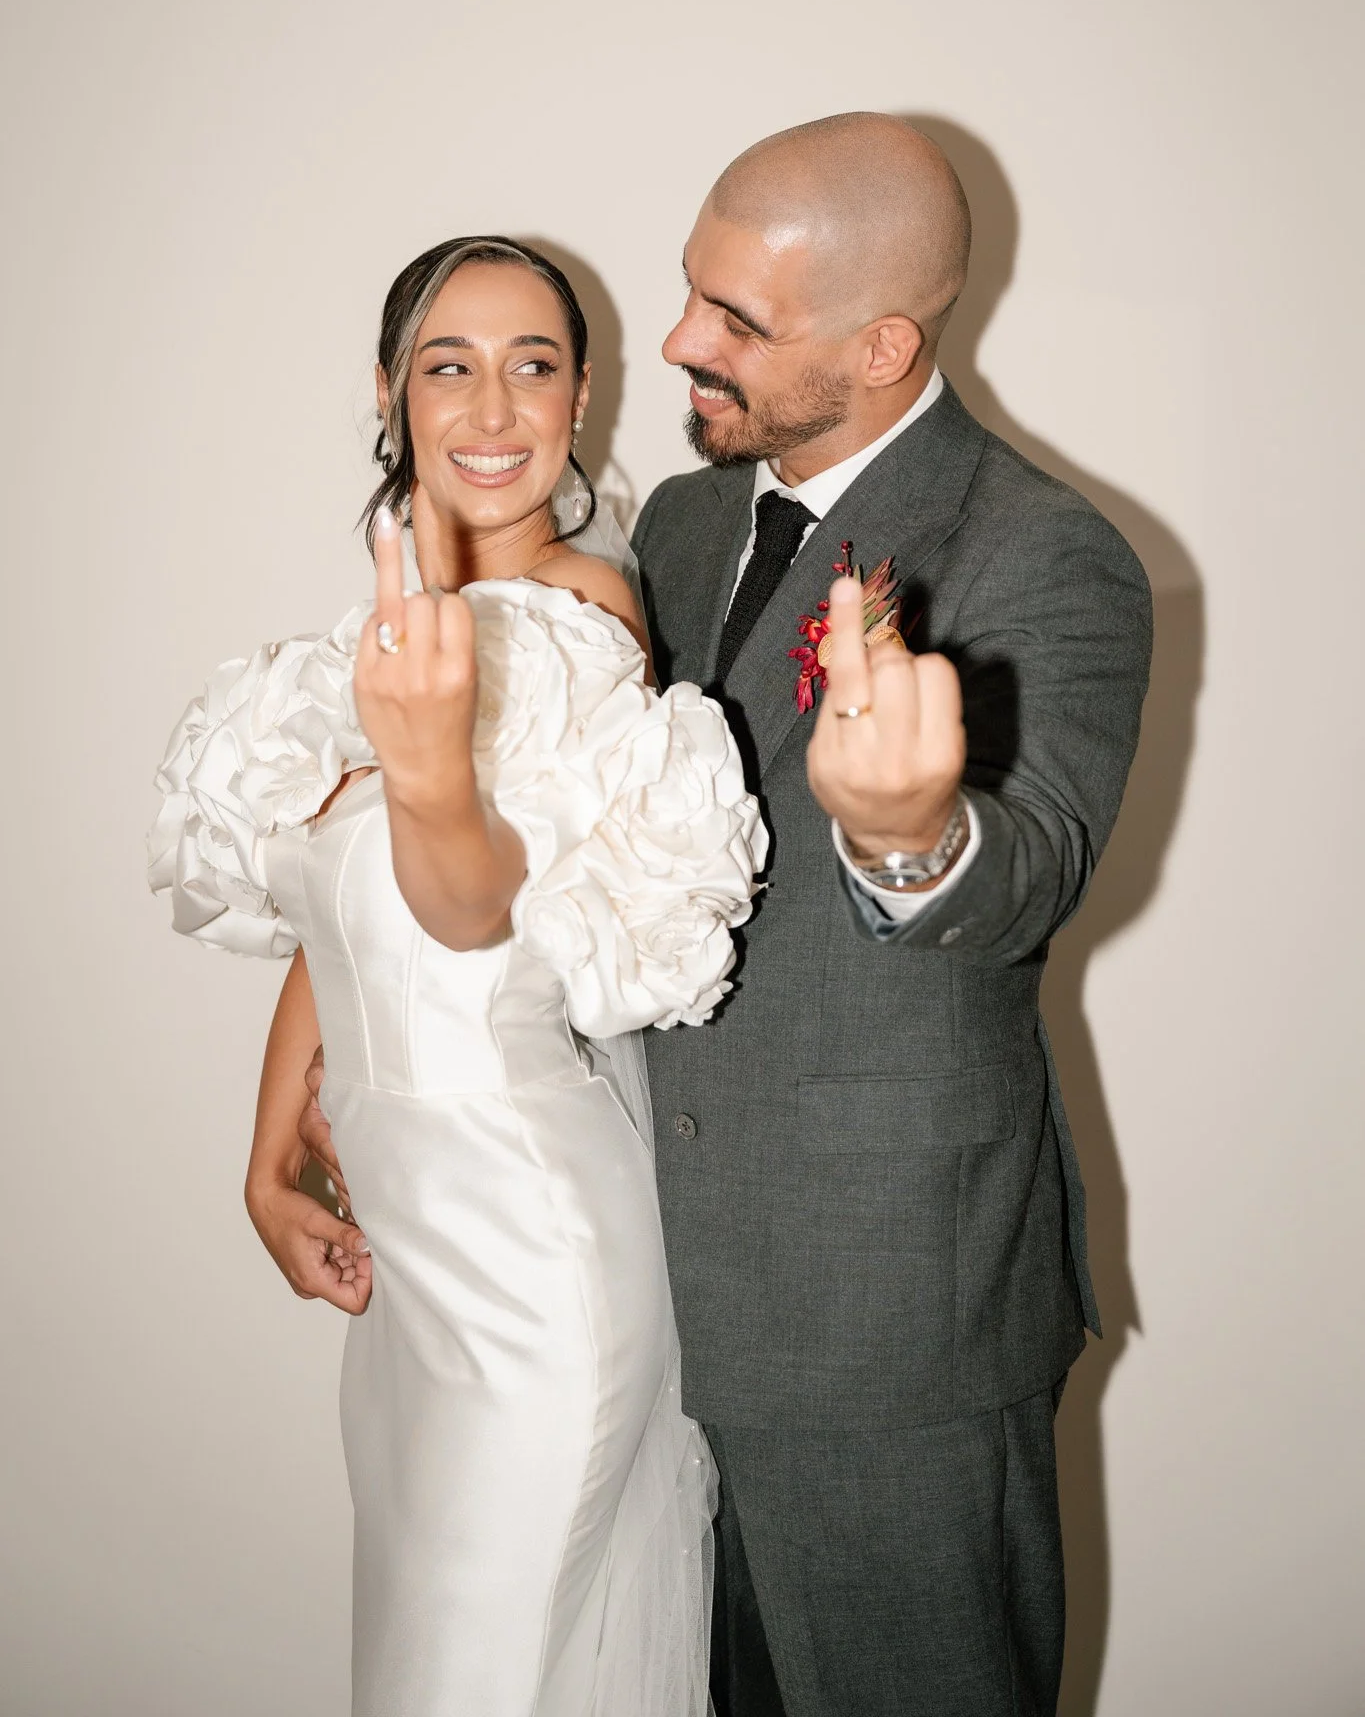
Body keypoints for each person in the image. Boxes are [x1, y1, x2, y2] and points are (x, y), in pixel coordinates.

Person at [148, 237, 767, 1717]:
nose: (494, 405)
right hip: (413, 1277)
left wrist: (429, 775)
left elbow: (475, 912)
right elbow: (339, 915)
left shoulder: (580, 622)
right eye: (450, 364)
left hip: (531, 1259)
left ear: (582, 396)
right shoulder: (401, 624)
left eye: (534, 364)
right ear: (389, 392)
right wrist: (267, 1149)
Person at [628, 114, 1154, 1717]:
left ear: (883, 345)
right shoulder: (680, 525)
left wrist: (913, 835)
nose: (679, 344)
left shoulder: (1050, 555)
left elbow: (1032, 867)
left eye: (737, 323)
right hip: (646, 1307)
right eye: (692, 293)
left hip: (892, 1333)